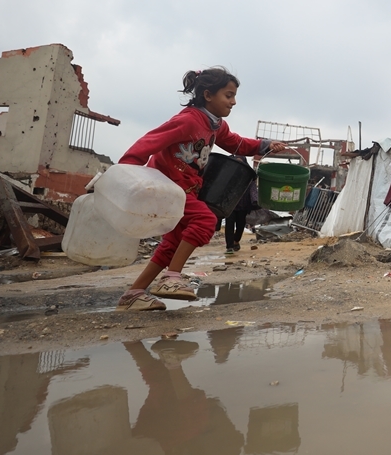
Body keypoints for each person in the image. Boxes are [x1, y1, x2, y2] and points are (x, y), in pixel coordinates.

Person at [116, 67, 286, 311]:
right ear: (208, 95)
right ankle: (172, 278)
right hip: (167, 188)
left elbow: (237, 143)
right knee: (206, 219)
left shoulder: (216, 125)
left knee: (172, 243)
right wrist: (124, 173)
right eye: (228, 95)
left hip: (186, 190)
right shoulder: (188, 120)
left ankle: (133, 294)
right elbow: (150, 142)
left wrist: (265, 144)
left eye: (234, 96)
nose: (234, 102)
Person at [223, 158, 258, 254]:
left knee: (240, 225)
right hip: (230, 205)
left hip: (243, 205)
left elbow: (253, 188)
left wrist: (255, 200)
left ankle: (236, 241)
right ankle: (229, 247)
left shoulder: (248, 176)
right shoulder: (228, 175)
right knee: (229, 225)